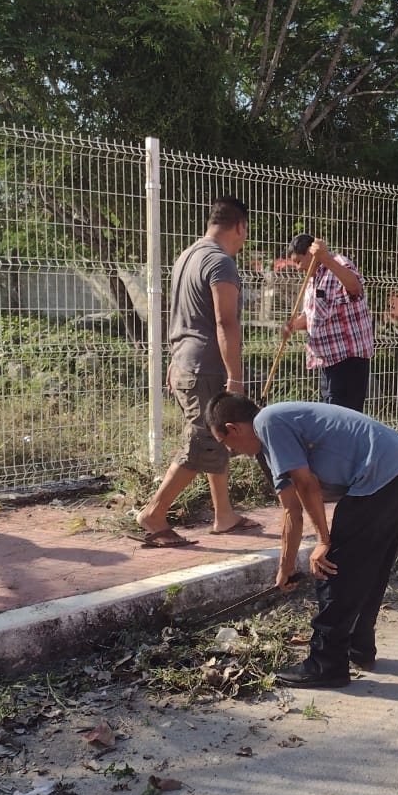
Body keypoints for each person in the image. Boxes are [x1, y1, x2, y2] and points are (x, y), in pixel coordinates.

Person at [207, 392, 398, 688]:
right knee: (367, 567)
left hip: (381, 476)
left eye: (227, 444)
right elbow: (290, 510)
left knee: (331, 568)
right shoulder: (270, 443)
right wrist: (285, 566)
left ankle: (326, 663)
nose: (231, 451)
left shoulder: (268, 422)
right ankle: (359, 647)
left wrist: (323, 541)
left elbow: (307, 485)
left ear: (233, 428)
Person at [135, 196, 259, 547]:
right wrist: (235, 377)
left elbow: (180, 316)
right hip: (206, 366)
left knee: (216, 439)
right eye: (245, 232)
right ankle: (154, 514)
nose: (243, 239)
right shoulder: (221, 263)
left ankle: (224, 515)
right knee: (202, 442)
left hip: (185, 363)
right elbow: (225, 321)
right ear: (239, 226)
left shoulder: (187, 257)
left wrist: (175, 360)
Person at [280, 234, 375, 412]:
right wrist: (291, 326)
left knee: (343, 420)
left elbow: (355, 288)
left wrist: (326, 259)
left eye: (299, 261)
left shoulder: (338, 264)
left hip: (347, 360)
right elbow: (312, 316)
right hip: (327, 361)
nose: (298, 268)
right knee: (334, 416)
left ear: (311, 253)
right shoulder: (312, 279)